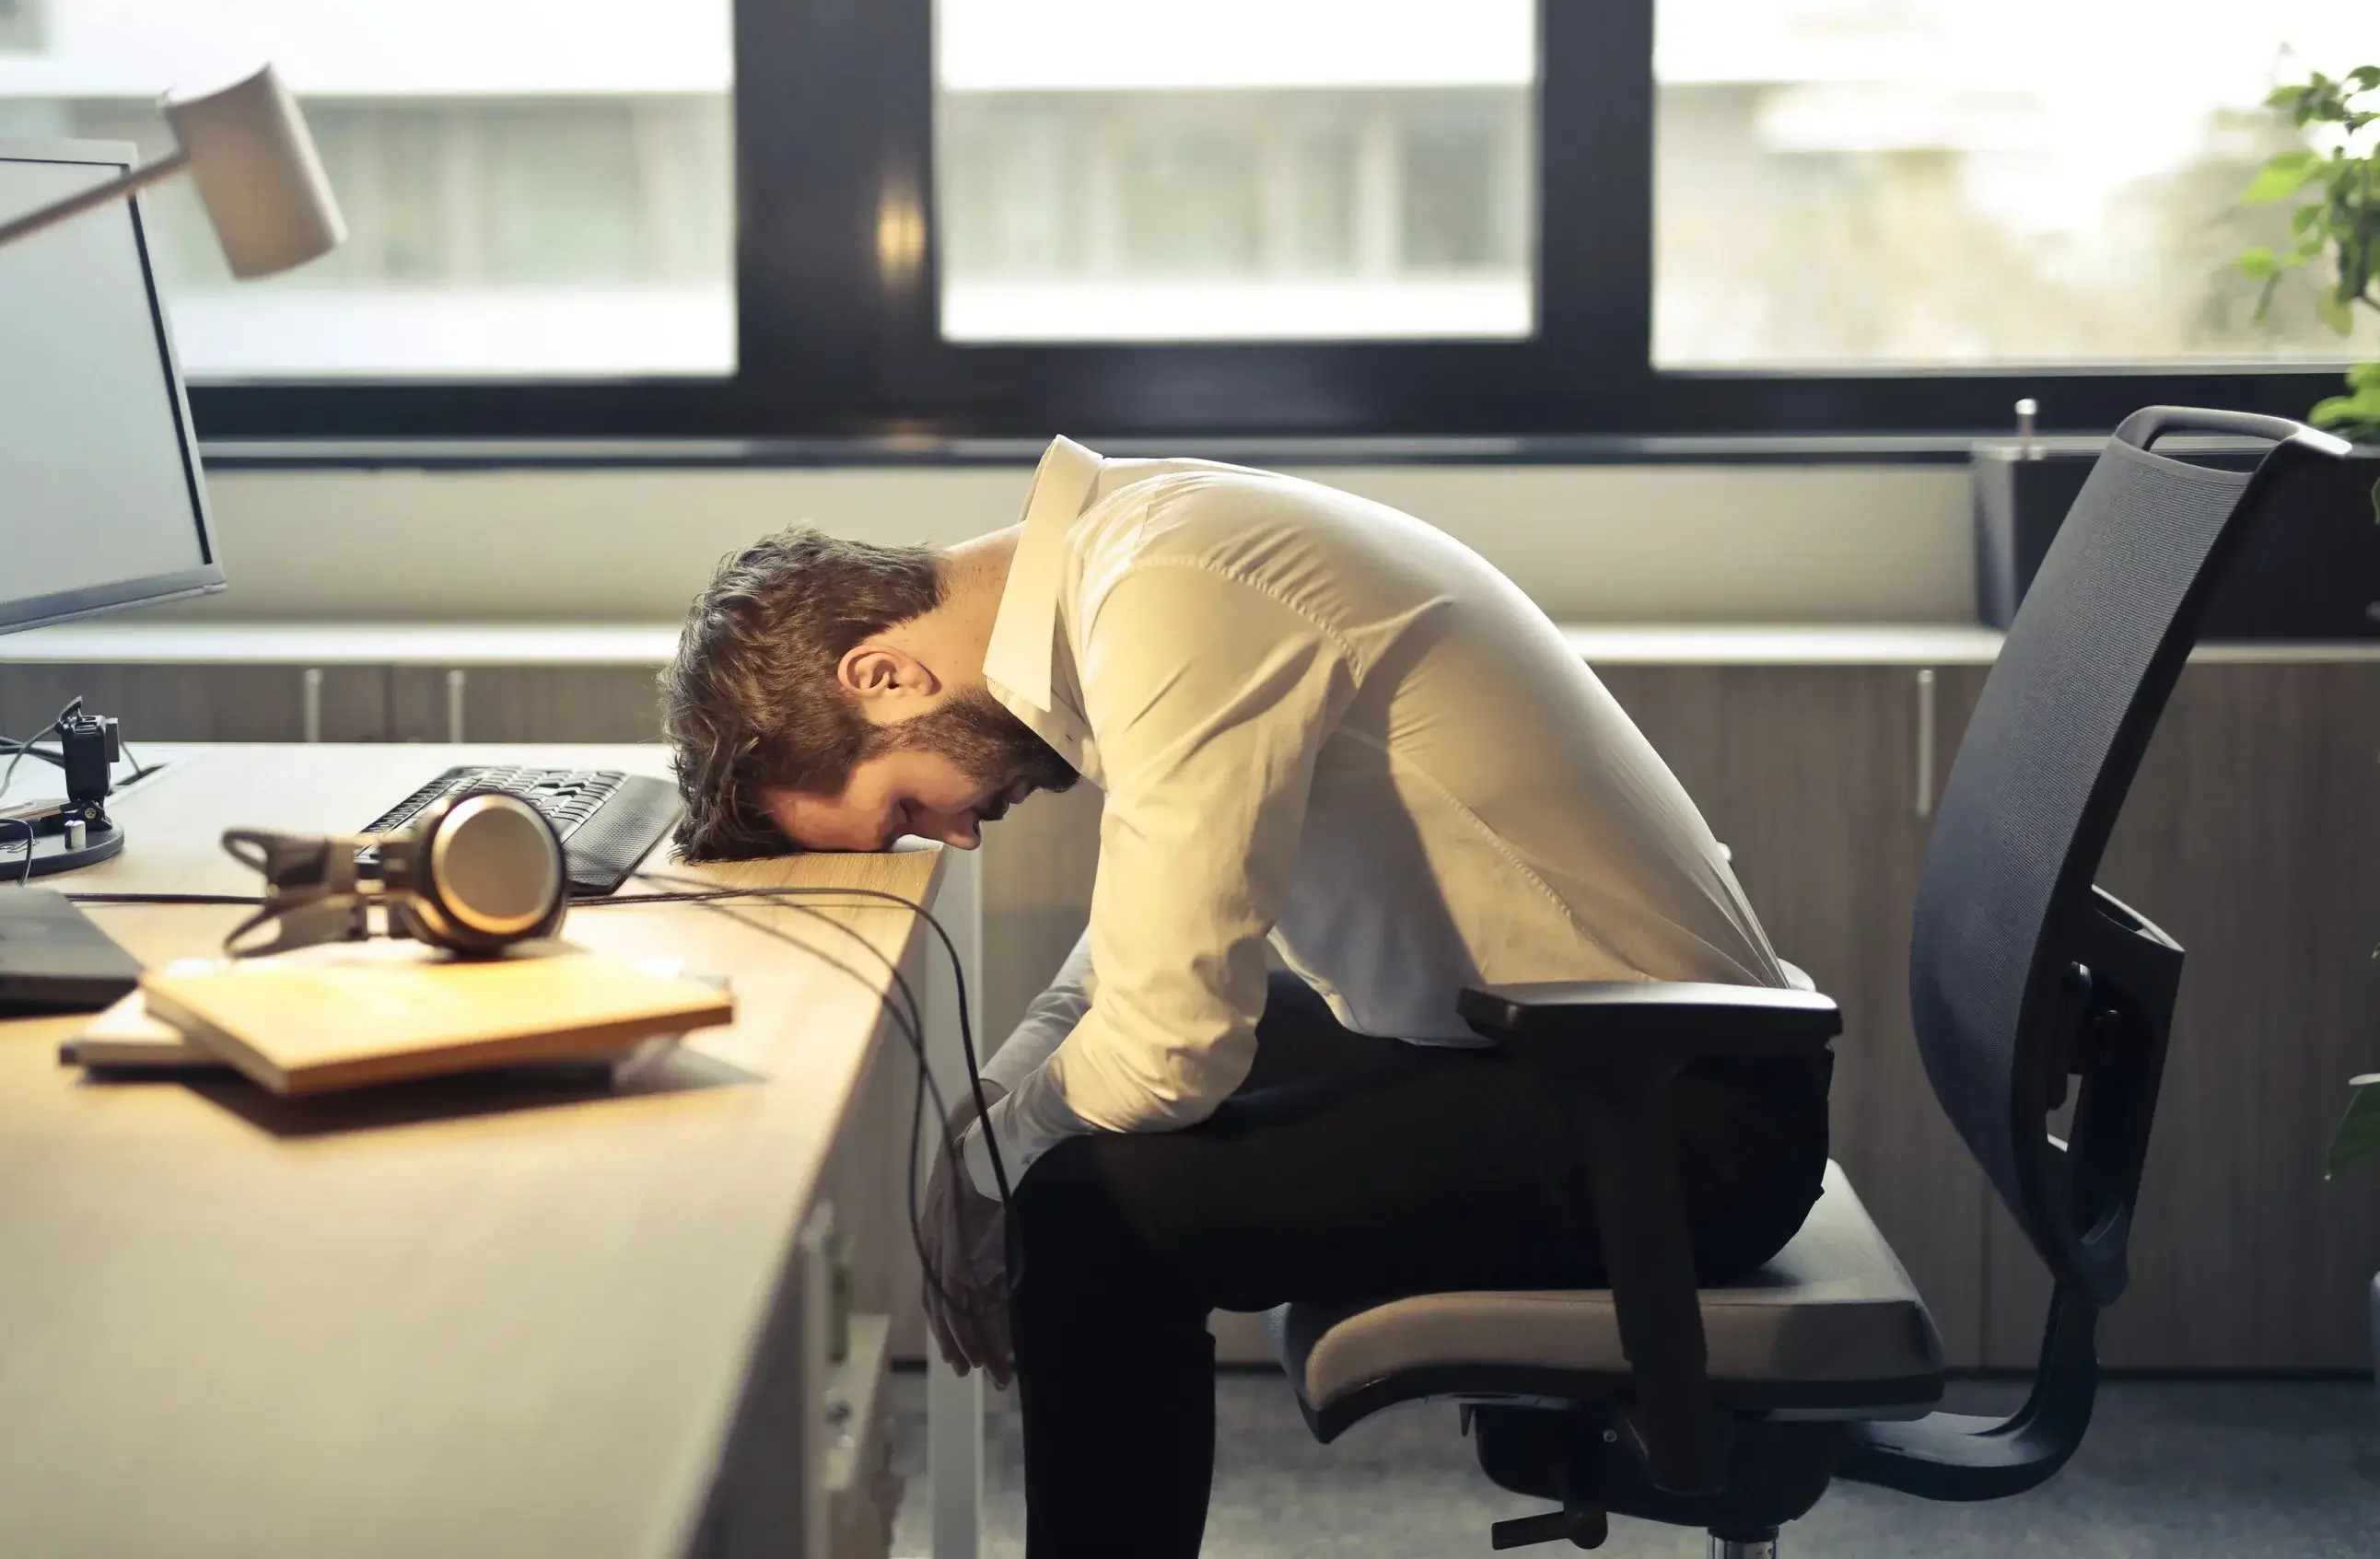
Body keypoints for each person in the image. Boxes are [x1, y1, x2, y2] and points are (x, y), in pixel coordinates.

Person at [659, 437, 1831, 1559]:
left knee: (1085, 1214)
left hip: (1681, 1113)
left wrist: (987, 1173)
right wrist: (980, 1131)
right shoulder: (1133, 556)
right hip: (1553, 1040)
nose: (955, 833)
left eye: (908, 808)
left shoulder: (1174, 592)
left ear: (883, 672)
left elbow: (1168, 1047)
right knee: (1064, 1153)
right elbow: (1141, 947)